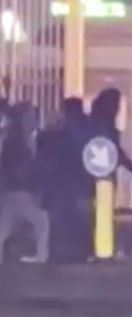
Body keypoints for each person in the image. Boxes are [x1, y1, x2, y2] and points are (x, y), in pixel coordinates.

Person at [39, 98, 92, 263]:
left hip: (67, 180)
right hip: (73, 180)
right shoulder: (83, 128)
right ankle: (78, 252)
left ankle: (69, 251)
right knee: (75, 217)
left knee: (68, 217)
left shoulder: (63, 130)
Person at [0, 103, 50, 264]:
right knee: (40, 221)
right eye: (31, 116)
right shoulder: (16, 142)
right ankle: (41, 255)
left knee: (6, 226)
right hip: (19, 191)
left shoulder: (25, 139)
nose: (35, 120)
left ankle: (40, 254)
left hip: (16, 191)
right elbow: (18, 168)